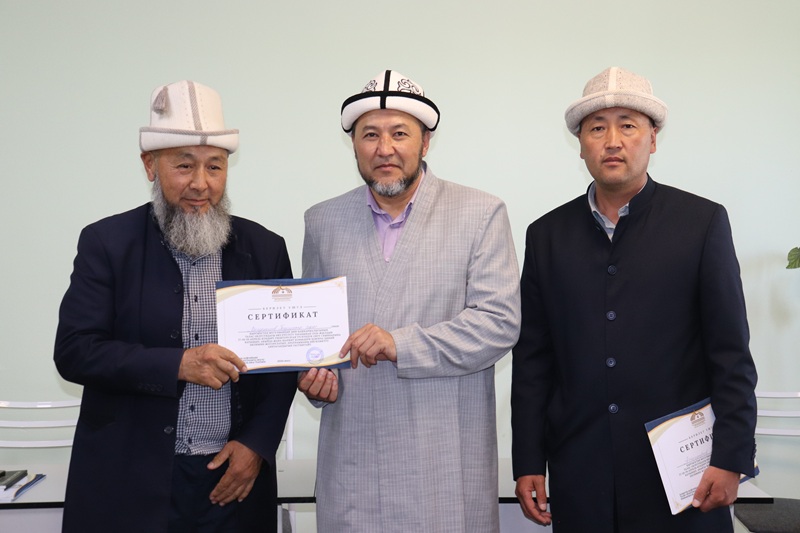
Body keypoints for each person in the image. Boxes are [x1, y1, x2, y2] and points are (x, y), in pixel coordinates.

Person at [510, 66, 758, 532]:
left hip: (683, 479)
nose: (612, 141)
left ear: (653, 139)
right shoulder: (546, 236)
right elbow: (533, 362)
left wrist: (731, 456)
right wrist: (527, 461)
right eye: (597, 128)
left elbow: (730, 355)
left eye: (628, 125)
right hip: (581, 474)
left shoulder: (701, 223)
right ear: (580, 144)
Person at [54, 80, 297, 533]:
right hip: (128, 481)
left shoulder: (265, 248)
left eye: (215, 166)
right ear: (150, 165)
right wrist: (179, 365)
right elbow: (75, 351)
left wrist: (256, 445)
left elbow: (282, 364)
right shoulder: (107, 243)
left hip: (233, 480)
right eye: (184, 165)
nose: (201, 184)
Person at [298, 70, 521, 532]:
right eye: (370, 135)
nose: (385, 149)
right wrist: (315, 379)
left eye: (400, 133)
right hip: (354, 458)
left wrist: (399, 344)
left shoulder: (480, 213)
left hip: (443, 458)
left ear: (425, 143)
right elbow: (315, 334)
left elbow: (498, 323)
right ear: (353, 144)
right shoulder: (323, 221)